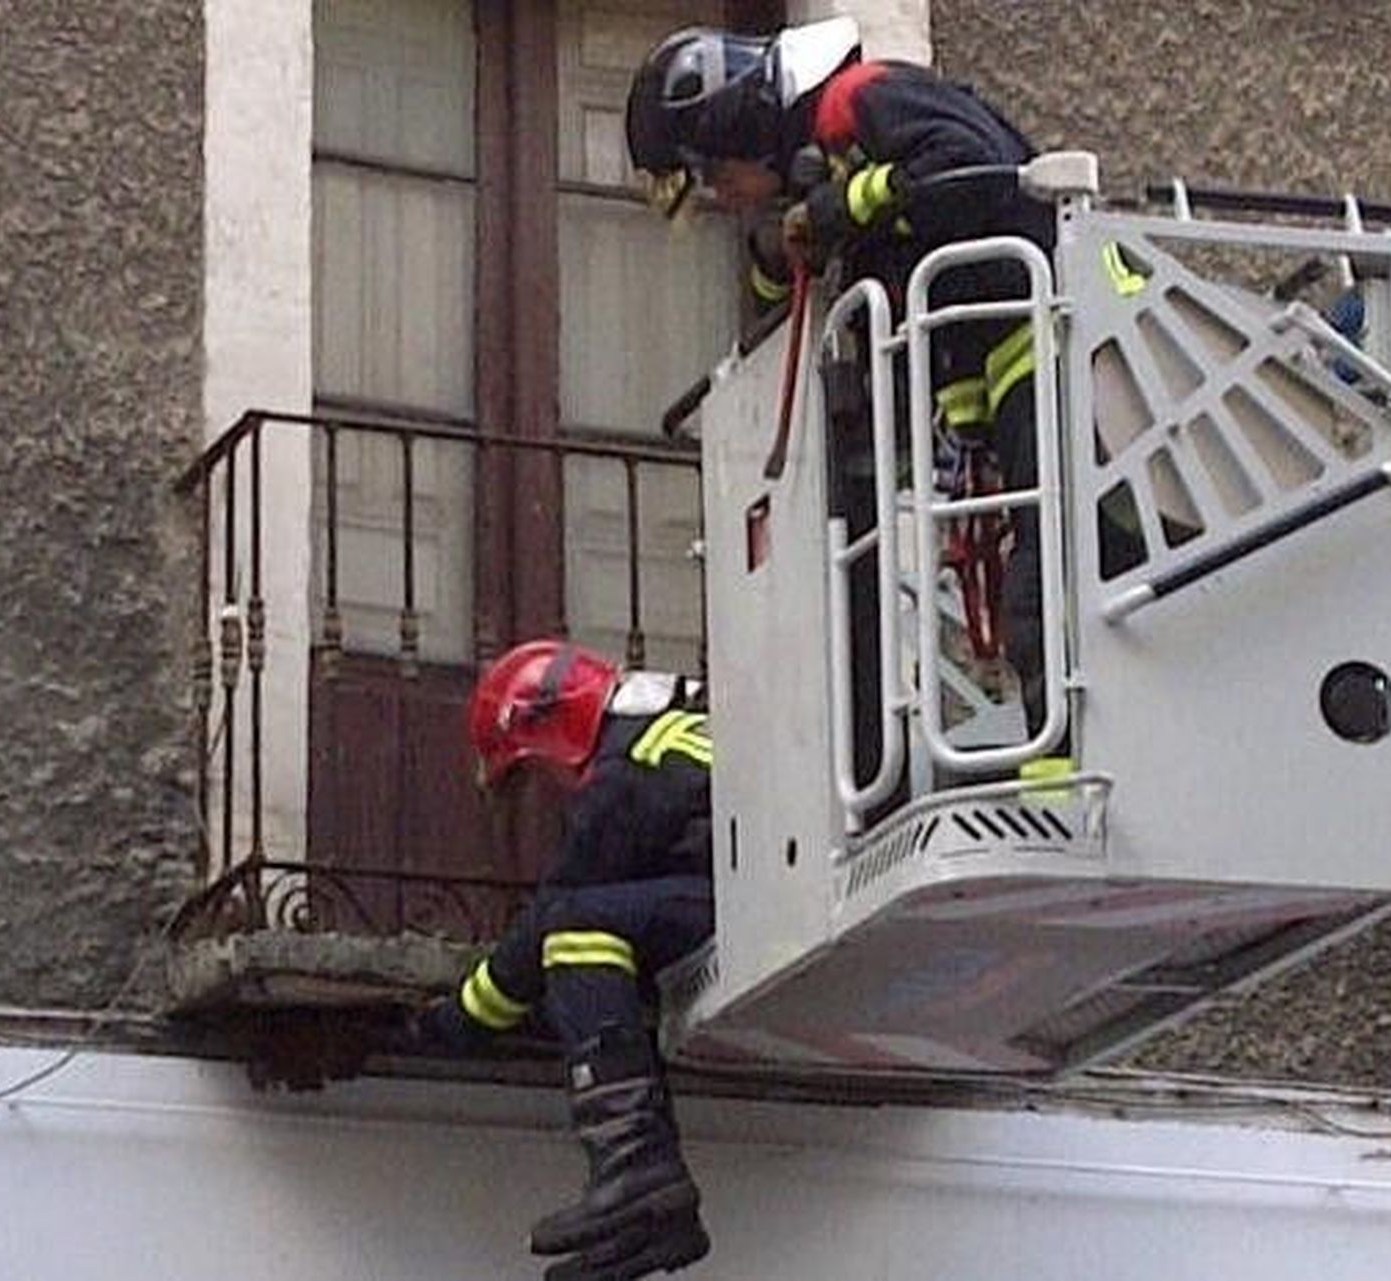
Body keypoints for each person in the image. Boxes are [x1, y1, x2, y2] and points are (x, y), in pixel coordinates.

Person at [626, 16, 1060, 742]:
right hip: (1005, 363)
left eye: (713, 173)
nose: (722, 196)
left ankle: (1061, 785)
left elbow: (975, 166)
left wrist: (842, 206)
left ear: (742, 127)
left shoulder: (863, 98)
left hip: (1051, 340)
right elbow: (796, 294)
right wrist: (787, 244)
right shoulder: (828, 162)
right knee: (1032, 586)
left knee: (1050, 585)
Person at [412, 638, 715, 1281]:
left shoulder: (633, 766)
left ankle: (634, 1164)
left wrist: (455, 1022)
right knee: (591, 931)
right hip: (737, 893)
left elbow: (558, 911)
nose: (545, 794)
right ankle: (659, 1215)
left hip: (737, 903)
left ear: (555, 734)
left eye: (532, 770)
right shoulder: (665, 735)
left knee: (578, 930)